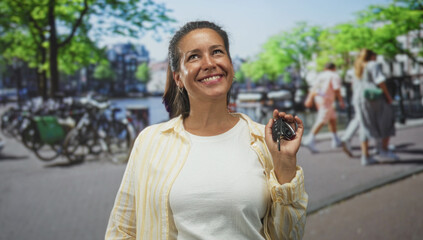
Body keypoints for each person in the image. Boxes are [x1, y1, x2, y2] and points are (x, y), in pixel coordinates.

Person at [105, 21, 308, 240]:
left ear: (230, 65)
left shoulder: (265, 142)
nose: (209, 63)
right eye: (194, 56)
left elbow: (288, 236)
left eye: (217, 52)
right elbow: (123, 228)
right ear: (178, 78)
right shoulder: (150, 141)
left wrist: (285, 164)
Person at [353, 49, 398, 166]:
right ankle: (383, 150)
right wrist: (388, 97)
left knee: (366, 125)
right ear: (372, 56)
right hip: (374, 97)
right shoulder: (373, 64)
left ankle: (365, 156)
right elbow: (380, 81)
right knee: (386, 121)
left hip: (360, 98)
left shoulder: (357, 66)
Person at [303, 62, 345, 153]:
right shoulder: (334, 75)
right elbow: (336, 89)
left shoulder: (320, 76)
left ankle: (335, 139)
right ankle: (310, 139)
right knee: (322, 120)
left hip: (319, 98)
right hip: (327, 99)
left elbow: (314, 88)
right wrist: (341, 100)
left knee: (332, 118)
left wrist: (309, 99)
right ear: (334, 68)